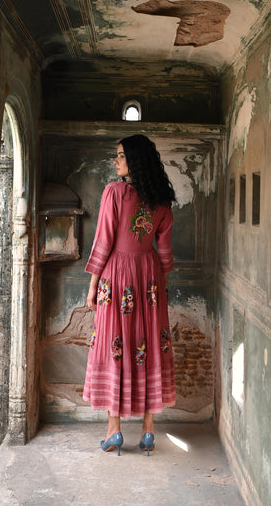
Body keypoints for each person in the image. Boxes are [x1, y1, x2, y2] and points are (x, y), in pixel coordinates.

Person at [83, 134, 176, 456]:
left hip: (117, 274)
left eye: (121, 156)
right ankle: (149, 431)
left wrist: (94, 285)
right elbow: (164, 251)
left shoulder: (115, 192)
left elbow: (104, 240)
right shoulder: (162, 200)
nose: (116, 161)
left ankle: (114, 431)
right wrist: (158, 289)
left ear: (134, 160)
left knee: (115, 344)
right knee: (149, 343)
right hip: (149, 276)